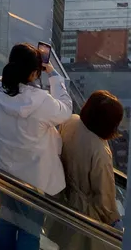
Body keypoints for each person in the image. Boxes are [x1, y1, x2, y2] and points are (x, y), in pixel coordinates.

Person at [0, 43, 72, 250]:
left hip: (1, 168)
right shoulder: (42, 101)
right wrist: (53, 74)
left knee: (7, 216)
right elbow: (65, 111)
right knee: (30, 228)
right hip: (34, 180)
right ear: (34, 73)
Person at [50, 91, 123, 248]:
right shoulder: (100, 150)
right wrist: (115, 221)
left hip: (61, 196)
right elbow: (104, 196)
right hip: (84, 214)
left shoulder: (71, 121)